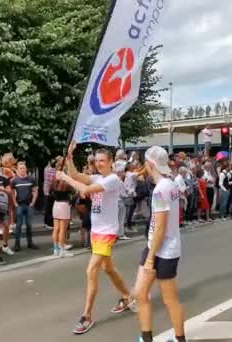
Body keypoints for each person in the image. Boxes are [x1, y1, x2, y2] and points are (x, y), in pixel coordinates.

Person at [58, 141, 137, 335]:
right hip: (96, 231)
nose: (99, 163)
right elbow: (77, 176)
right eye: (97, 161)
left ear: (111, 162)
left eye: (103, 161)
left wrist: (65, 178)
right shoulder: (98, 177)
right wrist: (69, 158)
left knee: (92, 270)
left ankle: (87, 316)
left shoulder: (112, 180)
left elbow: (84, 190)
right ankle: (128, 296)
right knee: (108, 268)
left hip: (107, 232)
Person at [134, 146, 186, 342]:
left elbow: (160, 228)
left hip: (161, 250)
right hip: (162, 248)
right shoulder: (170, 184)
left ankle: (176, 339)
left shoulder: (160, 190)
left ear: (150, 164)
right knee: (141, 294)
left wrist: (149, 259)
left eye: (146, 164)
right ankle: (147, 337)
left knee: (166, 298)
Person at [11, 162, 39, 251]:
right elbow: (12, 193)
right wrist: (15, 203)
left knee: (29, 225)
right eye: (20, 168)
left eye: (24, 168)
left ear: (26, 169)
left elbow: (36, 191)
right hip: (19, 205)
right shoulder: (15, 181)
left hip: (29, 205)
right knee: (18, 225)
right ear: (18, 170)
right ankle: (17, 244)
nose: (22, 170)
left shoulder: (31, 179)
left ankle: (30, 243)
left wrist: (33, 203)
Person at [52, 158, 74, 258]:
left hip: (55, 204)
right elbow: (73, 192)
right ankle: (62, 250)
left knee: (56, 228)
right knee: (62, 229)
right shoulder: (66, 182)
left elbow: (50, 192)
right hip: (64, 205)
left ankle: (56, 249)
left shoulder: (54, 181)